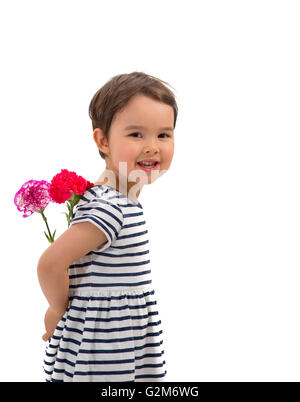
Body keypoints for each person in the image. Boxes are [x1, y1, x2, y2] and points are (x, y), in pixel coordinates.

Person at [37, 71, 178, 382]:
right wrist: (56, 308)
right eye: (136, 135)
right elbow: (51, 263)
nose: (153, 147)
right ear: (103, 141)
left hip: (118, 339)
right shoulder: (110, 206)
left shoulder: (120, 200)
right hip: (104, 345)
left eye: (163, 135)